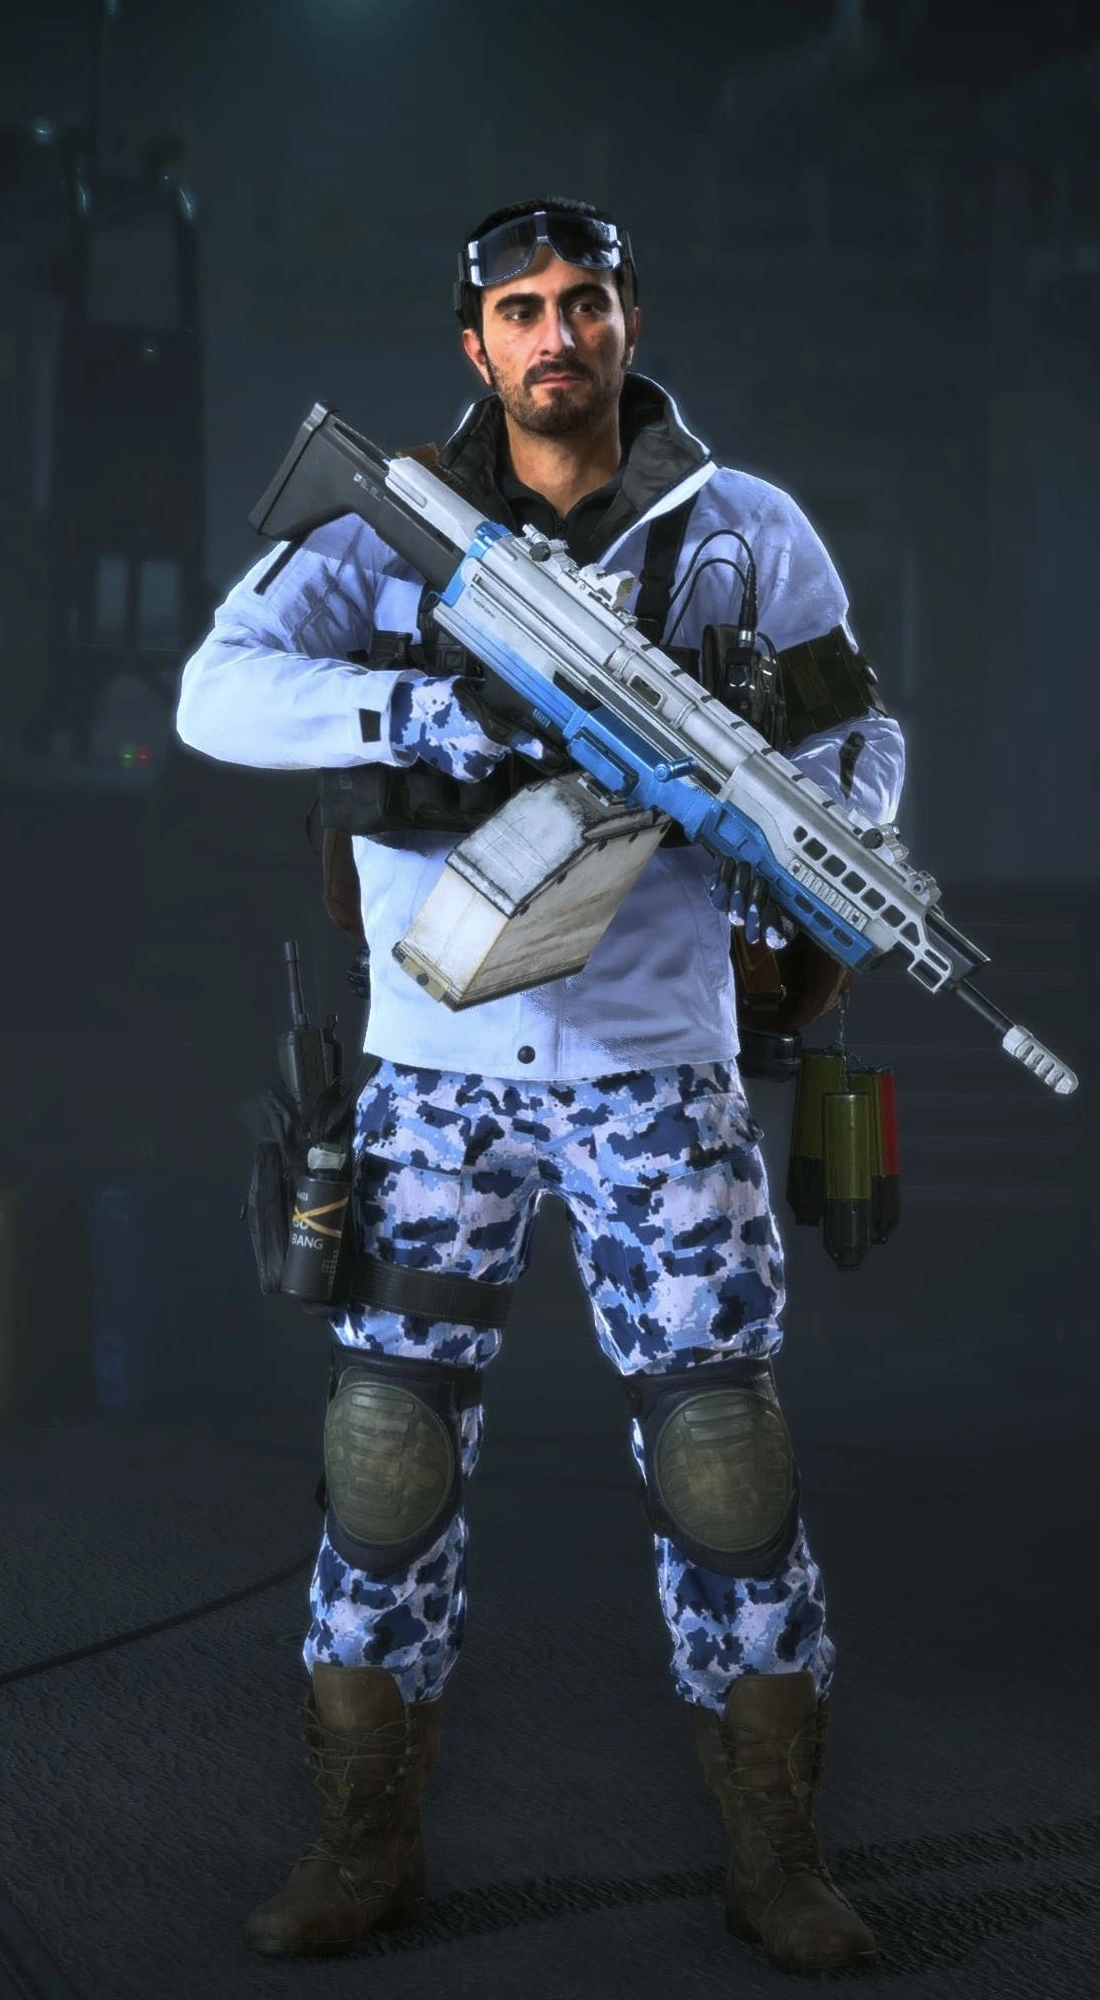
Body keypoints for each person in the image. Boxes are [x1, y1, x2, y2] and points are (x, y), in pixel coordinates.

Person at [175, 196, 904, 1975]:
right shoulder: (394, 525)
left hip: (660, 1062)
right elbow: (216, 695)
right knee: (387, 1457)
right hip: (434, 1065)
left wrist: (812, 839)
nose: (556, 332)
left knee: (721, 1456)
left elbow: (855, 735)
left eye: (584, 301)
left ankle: (777, 1854)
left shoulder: (741, 533)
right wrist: (429, 716)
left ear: (630, 320)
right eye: (520, 310)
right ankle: (365, 1841)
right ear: (477, 344)